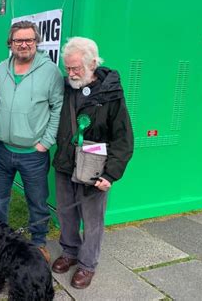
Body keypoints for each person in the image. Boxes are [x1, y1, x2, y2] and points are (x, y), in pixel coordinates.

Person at [51, 37, 134, 289]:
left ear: (93, 63)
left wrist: (110, 174)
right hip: (66, 162)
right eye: (68, 68)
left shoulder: (110, 93)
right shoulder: (66, 87)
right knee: (66, 212)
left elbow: (124, 138)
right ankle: (69, 251)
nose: (71, 73)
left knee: (92, 218)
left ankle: (87, 265)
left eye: (76, 68)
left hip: (94, 167)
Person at [0, 20, 64, 249]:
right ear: (10, 43)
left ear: (36, 42)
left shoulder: (50, 71)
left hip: (33, 153)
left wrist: (46, 142)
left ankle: (39, 243)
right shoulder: (1, 68)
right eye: (18, 40)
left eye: (29, 40)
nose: (24, 44)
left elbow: (58, 107)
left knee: (37, 202)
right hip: (2, 149)